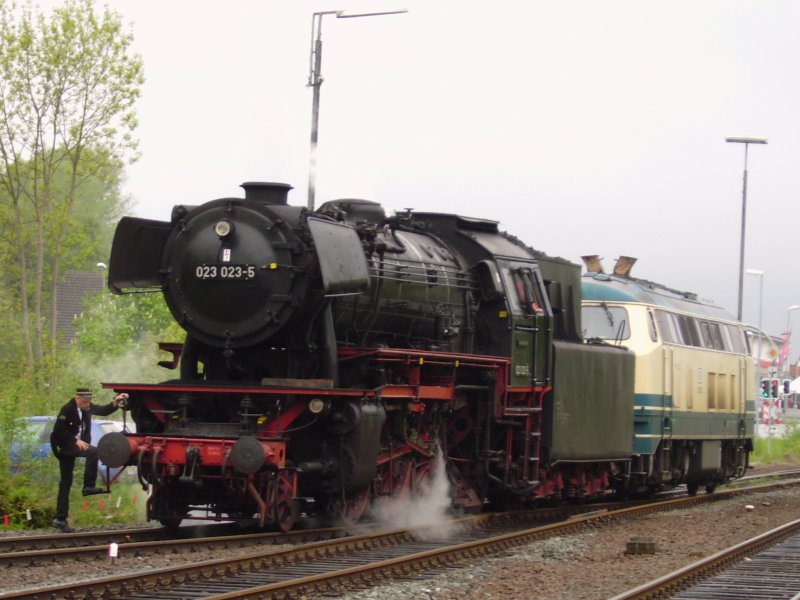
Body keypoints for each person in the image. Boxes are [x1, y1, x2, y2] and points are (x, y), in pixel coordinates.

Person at [50, 387, 128, 533]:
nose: (88, 404)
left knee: (66, 482)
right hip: (63, 446)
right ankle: (88, 486)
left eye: (90, 401)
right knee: (93, 452)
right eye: (86, 401)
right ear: (78, 399)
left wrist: (115, 402)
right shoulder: (67, 409)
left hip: (73, 444)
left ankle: (60, 519)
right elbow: (58, 431)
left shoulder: (86, 407)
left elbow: (103, 410)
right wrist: (75, 440)